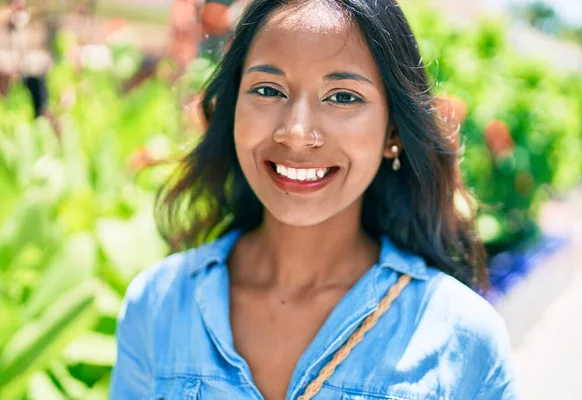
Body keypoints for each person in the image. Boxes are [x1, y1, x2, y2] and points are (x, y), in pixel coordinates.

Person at [109, 0, 518, 399]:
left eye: (342, 96)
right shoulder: (158, 306)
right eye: (268, 90)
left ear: (393, 133)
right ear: (233, 108)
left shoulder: (463, 338)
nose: (297, 132)